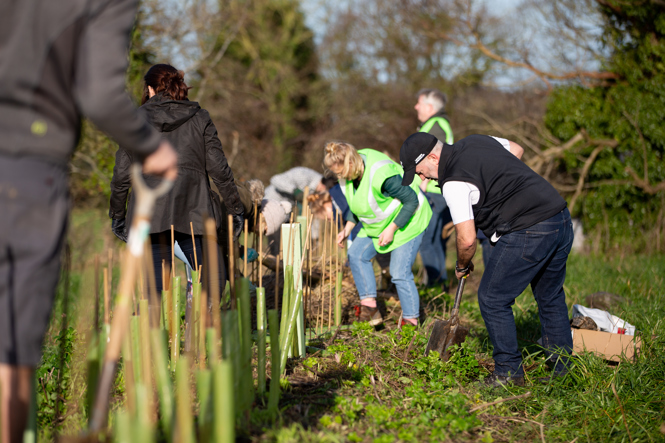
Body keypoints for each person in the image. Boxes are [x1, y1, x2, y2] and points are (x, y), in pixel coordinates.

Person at [0, 1, 178, 441]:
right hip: (25, 168)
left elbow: (120, 179)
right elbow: (98, 93)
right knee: (11, 348)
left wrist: (117, 213)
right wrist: (149, 147)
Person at [399, 132, 574, 386]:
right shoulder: (476, 141)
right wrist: (499, 186)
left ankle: (508, 373)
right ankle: (563, 371)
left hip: (529, 228)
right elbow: (516, 149)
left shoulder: (453, 182)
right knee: (550, 296)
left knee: (492, 299)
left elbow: (467, 239)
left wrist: (461, 265)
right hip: (559, 217)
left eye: (420, 171)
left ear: (434, 157)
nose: (423, 178)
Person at [109, 64, 244, 294]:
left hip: (149, 212)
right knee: (214, 282)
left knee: (153, 292)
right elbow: (219, 169)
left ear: (150, 89)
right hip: (195, 210)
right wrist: (235, 209)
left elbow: (122, 176)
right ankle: (204, 327)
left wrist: (118, 217)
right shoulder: (200, 117)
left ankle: (155, 329)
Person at [324, 141, 432, 327]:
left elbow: (411, 201)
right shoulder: (349, 174)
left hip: (408, 221)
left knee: (399, 272)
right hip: (378, 224)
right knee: (356, 254)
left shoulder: (381, 174)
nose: (338, 176)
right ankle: (370, 309)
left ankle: (411, 321)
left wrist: (392, 229)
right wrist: (347, 228)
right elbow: (357, 203)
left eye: (340, 172)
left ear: (351, 163)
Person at [414, 88, 454, 290]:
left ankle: (434, 286)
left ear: (429, 107)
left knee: (425, 240)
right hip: (436, 190)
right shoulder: (436, 123)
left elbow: (437, 155)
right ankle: (442, 285)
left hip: (432, 190)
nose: (416, 107)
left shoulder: (436, 125)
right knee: (435, 239)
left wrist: (424, 181)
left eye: (419, 103)